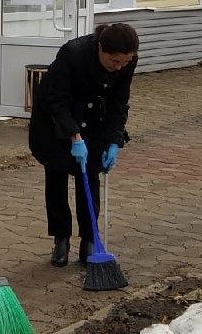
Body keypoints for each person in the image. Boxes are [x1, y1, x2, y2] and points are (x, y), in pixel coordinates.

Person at [28, 22, 139, 267]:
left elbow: (119, 102)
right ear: (100, 48)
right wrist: (74, 137)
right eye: (113, 61)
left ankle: (89, 238)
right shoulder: (73, 53)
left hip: (93, 118)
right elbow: (57, 99)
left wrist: (114, 140)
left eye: (124, 62)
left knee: (89, 175)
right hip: (54, 117)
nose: (118, 67)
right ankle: (61, 239)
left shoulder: (127, 61)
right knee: (56, 175)